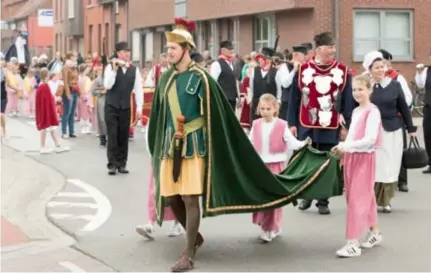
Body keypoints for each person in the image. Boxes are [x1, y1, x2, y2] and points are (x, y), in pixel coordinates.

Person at [148, 18, 344, 272]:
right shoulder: (166, 80)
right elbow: (159, 114)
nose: (169, 53)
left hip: (194, 145)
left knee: (189, 197)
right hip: (170, 147)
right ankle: (194, 236)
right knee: (170, 195)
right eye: (168, 49)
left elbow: (219, 116)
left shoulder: (202, 79)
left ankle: (188, 253)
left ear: (186, 49)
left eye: (173, 48)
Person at [288, 32, 356, 215]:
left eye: (334, 47)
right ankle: (306, 195)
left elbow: (348, 101)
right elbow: (294, 98)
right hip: (307, 124)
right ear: (318, 49)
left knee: (327, 161)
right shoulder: (303, 70)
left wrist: (346, 125)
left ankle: (323, 200)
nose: (333, 51)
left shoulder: (342, 71)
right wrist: (292, 123)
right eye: (329, 47)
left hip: (331, 124)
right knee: (307, 161)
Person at [331, 74, 383, 258]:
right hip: (352, 157)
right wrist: (344, 149)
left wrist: (347, 146)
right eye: (354, 89)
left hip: (364, 158)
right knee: (364, 197)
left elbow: (369, 140)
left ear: (369, 90)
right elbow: (352, 136)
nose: (357, 93)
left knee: (356, 199)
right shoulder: (356, 111)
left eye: (361, 89)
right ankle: (375, 232)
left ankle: (353, 242)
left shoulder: (373, 111)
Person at [249, 93, 309, 242]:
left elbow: (291, 142)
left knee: (274, 198)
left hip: (276, 165)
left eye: (268, 108)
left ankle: (270, 228)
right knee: (261, 198)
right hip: (260, 165)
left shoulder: (282, 125)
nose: (265, 112)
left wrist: (303, 144)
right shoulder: (256, 124)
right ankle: (267, 225)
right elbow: (249, 142)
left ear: (275, 109)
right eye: (262, 108)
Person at [364, 51, 416, 213]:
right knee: (374, 166)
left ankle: (386, 199)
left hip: (392, 131)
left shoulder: (394, 85)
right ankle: (372, 198)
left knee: (389, 167)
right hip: (371, 132)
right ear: (369, 69)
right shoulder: (365, 87)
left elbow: (403, 108)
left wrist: (411, 128)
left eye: (383, 66)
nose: (381, 70)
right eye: (377, 67)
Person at [103, 42, 143, 175]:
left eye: (128, 51)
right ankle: (112, 164)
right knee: (112, 135)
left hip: (125, 106)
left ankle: (122, 163)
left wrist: (139, 108)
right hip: (111, 106)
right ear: (118, 53)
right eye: (125, 52)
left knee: (123, 136)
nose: (127, 54)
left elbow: (138, 89)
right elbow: (107, 85)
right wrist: (114, 70)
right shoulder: (110, 68)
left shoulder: (134, 70)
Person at [378, 49, 412, 192]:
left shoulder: (397, 78)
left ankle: (402, 180)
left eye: (386, 62)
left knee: (398, 151)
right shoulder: (369, 79)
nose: (384, 66)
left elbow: (407, 99)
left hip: (395, 120)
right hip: (376, 122)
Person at [35, 68, 70, 154]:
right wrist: (55, 99)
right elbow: (48, 100)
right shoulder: (45, 86)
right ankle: (44, 147)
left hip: (44, 110)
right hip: (47, 110)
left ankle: (56, 145)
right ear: (46, 75)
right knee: (47, 128)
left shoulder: (41, 86)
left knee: (50, 128)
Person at [277, 45, 308, 121]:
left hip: (302, 104)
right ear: (296, 55)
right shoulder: (285, 67)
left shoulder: (306, 67)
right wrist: (294, 70)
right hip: (287, 104)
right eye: (304, 56)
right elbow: (285, 84)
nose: (306, 58)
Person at [210, 40, 239, 110]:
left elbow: (234, 81)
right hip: (222, 100)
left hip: (232, 99)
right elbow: (212, 83)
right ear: (222, 50)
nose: (232, 51)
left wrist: (237, 96)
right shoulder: (216, 64)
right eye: (229, 49)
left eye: (232, 49)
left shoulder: (231, 64)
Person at [415, 52, 431, 174]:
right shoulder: (427, 71)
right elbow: (421, 85)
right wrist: (420, 72)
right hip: (428, 106)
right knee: (428, 134)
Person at [61, 53, 79, 138]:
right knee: (67, 112)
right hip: (69, 91)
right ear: (70, 57)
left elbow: (76, 79)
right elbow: (65, 81)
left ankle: (71, 131)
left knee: (72, 113)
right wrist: (68, 93)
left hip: (75, 91)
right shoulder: (65, 67)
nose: (76, 58)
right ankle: (64, 132)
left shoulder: (75, 67)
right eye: (74, 56)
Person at [91, 65, 107, 147]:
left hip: (112, 100)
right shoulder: (98, 80)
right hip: (102, 101)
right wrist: (101, 92)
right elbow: (93, 91)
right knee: (102, 119)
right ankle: (102, 138)